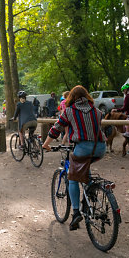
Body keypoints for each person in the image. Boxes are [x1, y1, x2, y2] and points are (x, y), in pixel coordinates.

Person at [42, 85, 106, 231]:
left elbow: (56, 129)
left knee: (72, 178)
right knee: (84, 166)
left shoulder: (69, 111)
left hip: (83, 148)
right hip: (101, 148)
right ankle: (90, 191)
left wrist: (46, 144)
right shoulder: (97, 111)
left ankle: (76, 212)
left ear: (71, 97)